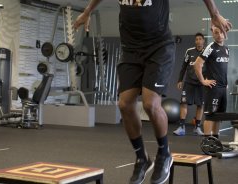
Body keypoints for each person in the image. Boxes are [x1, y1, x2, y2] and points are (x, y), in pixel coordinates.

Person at [74, 1, 231, 184]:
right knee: (124, 104)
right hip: (130, 49)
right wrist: (87, 12)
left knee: (150, 103)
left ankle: (164, 154)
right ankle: (142, 158)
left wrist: (214, 13)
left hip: (159, 47)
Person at [194, 25, 229, 140]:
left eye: (221, 32)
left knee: (218, 116)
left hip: (223, 88)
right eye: (216, 33)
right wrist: (203, 81)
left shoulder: (226, 49)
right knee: (210, 116)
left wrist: (226, 83)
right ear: (213, 34)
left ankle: (215, 140)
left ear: (225, 33)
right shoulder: (210, 47)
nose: (219, 35)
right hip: (213, 88)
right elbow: (197, 64)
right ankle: (207, 142)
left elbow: (222, 68)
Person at [173, 33, 205, 136]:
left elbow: (211, 68)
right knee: (183, 103)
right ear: (195, 41)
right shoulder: (189, 51)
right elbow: (184, 66)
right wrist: (179, 80)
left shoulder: (207, 52)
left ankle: (197, 127)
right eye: (196, 39)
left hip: (201, 84)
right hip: (189, 82)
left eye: (200, 39)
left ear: (203, 41)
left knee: (200, 105)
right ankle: (182, 127)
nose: (198, 41)